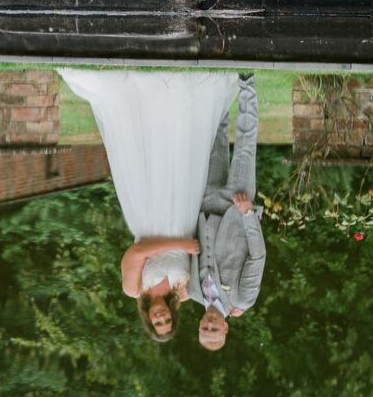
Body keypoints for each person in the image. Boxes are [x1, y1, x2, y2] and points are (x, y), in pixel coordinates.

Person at [57, 68, 239, 344]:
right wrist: (234, 304)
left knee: (147, 158)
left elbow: (138, 250)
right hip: (183, 212)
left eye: (158, 323)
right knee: (178, 155)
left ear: (149, 321)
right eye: (167, 321)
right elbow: (212, 279)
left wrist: (180, 245)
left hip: (146, 214)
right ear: (172, 316)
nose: (162, 317)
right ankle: (175, 99)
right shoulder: (184, 293)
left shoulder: (134, 289)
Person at [194, 73, 266, 351]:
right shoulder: (242, 299)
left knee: (216, 136)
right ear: (225, 328)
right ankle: (247, 77)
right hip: (238, 207)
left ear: (200, 324)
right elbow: (257, 256)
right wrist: (248, 213)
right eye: (214, 329)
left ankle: (222, 78)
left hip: (208, 203)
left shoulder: (192, 291)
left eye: (205, 328)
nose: (210, 324)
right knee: (246, 144)